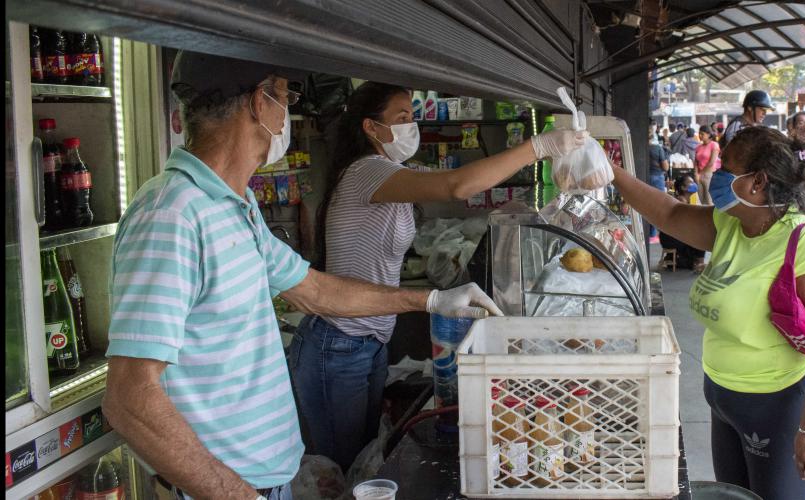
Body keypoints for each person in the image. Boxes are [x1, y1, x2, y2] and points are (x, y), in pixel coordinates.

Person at [101, 52, 504, 500]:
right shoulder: (171, 214)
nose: (288, 112)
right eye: (286, 96)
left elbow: (315, 290)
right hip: (227, 489)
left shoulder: (236, 205)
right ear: (260, 103)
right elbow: (130, 398)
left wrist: (429, 300)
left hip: (266, 480)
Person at [292, 82, 585, 471]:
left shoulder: (392, 172)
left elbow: (464, 179)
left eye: (412, 116)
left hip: (370, 340)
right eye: (400, 118)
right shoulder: (367, 171)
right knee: (345, 469)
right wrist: (539, 148)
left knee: (366, 462)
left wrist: (512, 207)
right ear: (370, 128)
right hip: (339, 341)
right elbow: (456, 185)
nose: (409, 126)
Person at [611, 125, 805, 499]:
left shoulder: (804, 240)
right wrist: (609, 171)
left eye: (727, 168)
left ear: (757, 182)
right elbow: (669, 213)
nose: (717, 175)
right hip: (723, 397)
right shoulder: (731, 224)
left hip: (776, 403)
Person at [660, 174, 705, 270]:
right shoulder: (680, 201)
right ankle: (699, 262)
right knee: (701, 235)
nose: (694, 185)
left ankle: (695, 261)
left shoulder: (687, 200)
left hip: (675, 235)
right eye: (691, 183)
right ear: (683, 187)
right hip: (671, 238)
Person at [647, 127, 671, 241]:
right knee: (658, 205)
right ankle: (654, 234)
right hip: (657, 178)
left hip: (643, 179)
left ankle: (649, 233)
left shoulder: (640, 147)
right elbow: (665, 167)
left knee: (646, 204)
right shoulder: (658, 149)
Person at [694, 125, 722, 205]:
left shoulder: (714, 145)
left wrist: (701, 173)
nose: (700, 136)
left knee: (710, 201)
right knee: (702, 201)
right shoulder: (698, 147)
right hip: (699, 176)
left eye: (702, 134)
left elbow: (711, 162)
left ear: (709, 134)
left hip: (709, 175)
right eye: (699, 133)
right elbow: (695, 161)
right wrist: (696, 173)